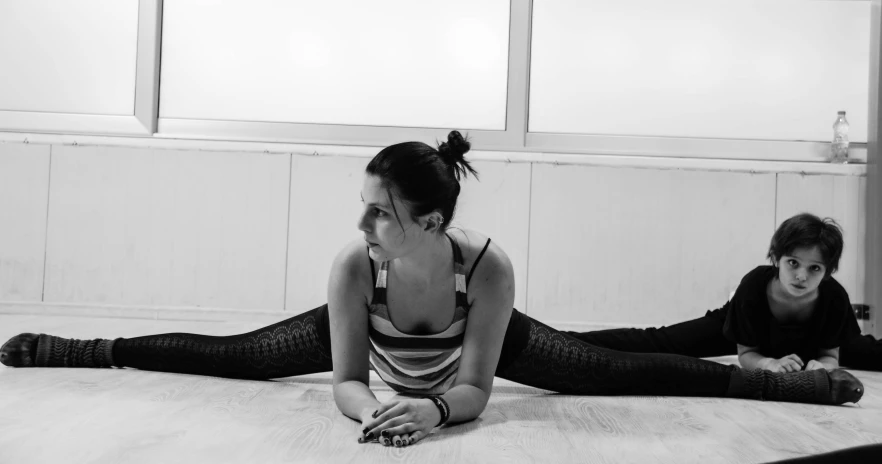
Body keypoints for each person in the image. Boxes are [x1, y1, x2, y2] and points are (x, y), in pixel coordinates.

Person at [0, 132, 865, 448]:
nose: (363, 220)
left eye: (379, 212)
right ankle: (78, 347)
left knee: (612, 366)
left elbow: (479, 387)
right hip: (381, 343)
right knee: (231, 358)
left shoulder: (485, 265)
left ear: (427, 221)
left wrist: (440, 413)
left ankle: (786, 383)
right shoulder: (354, 265)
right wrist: (376, 408)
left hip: (468, 341)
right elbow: (343, 379)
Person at [566, 213, 881, 373]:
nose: (801, 276)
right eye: (793, 263)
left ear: (828, 272)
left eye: (815, 269)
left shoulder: (833, 298)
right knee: (659, 343)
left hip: (810, 345)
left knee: (870, 354)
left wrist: (822, 368)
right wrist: (769, 365)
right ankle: (560, 339)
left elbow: (829, 357)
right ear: (777, 258)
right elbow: (747, 356)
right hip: (745, 332)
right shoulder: (754, 287)